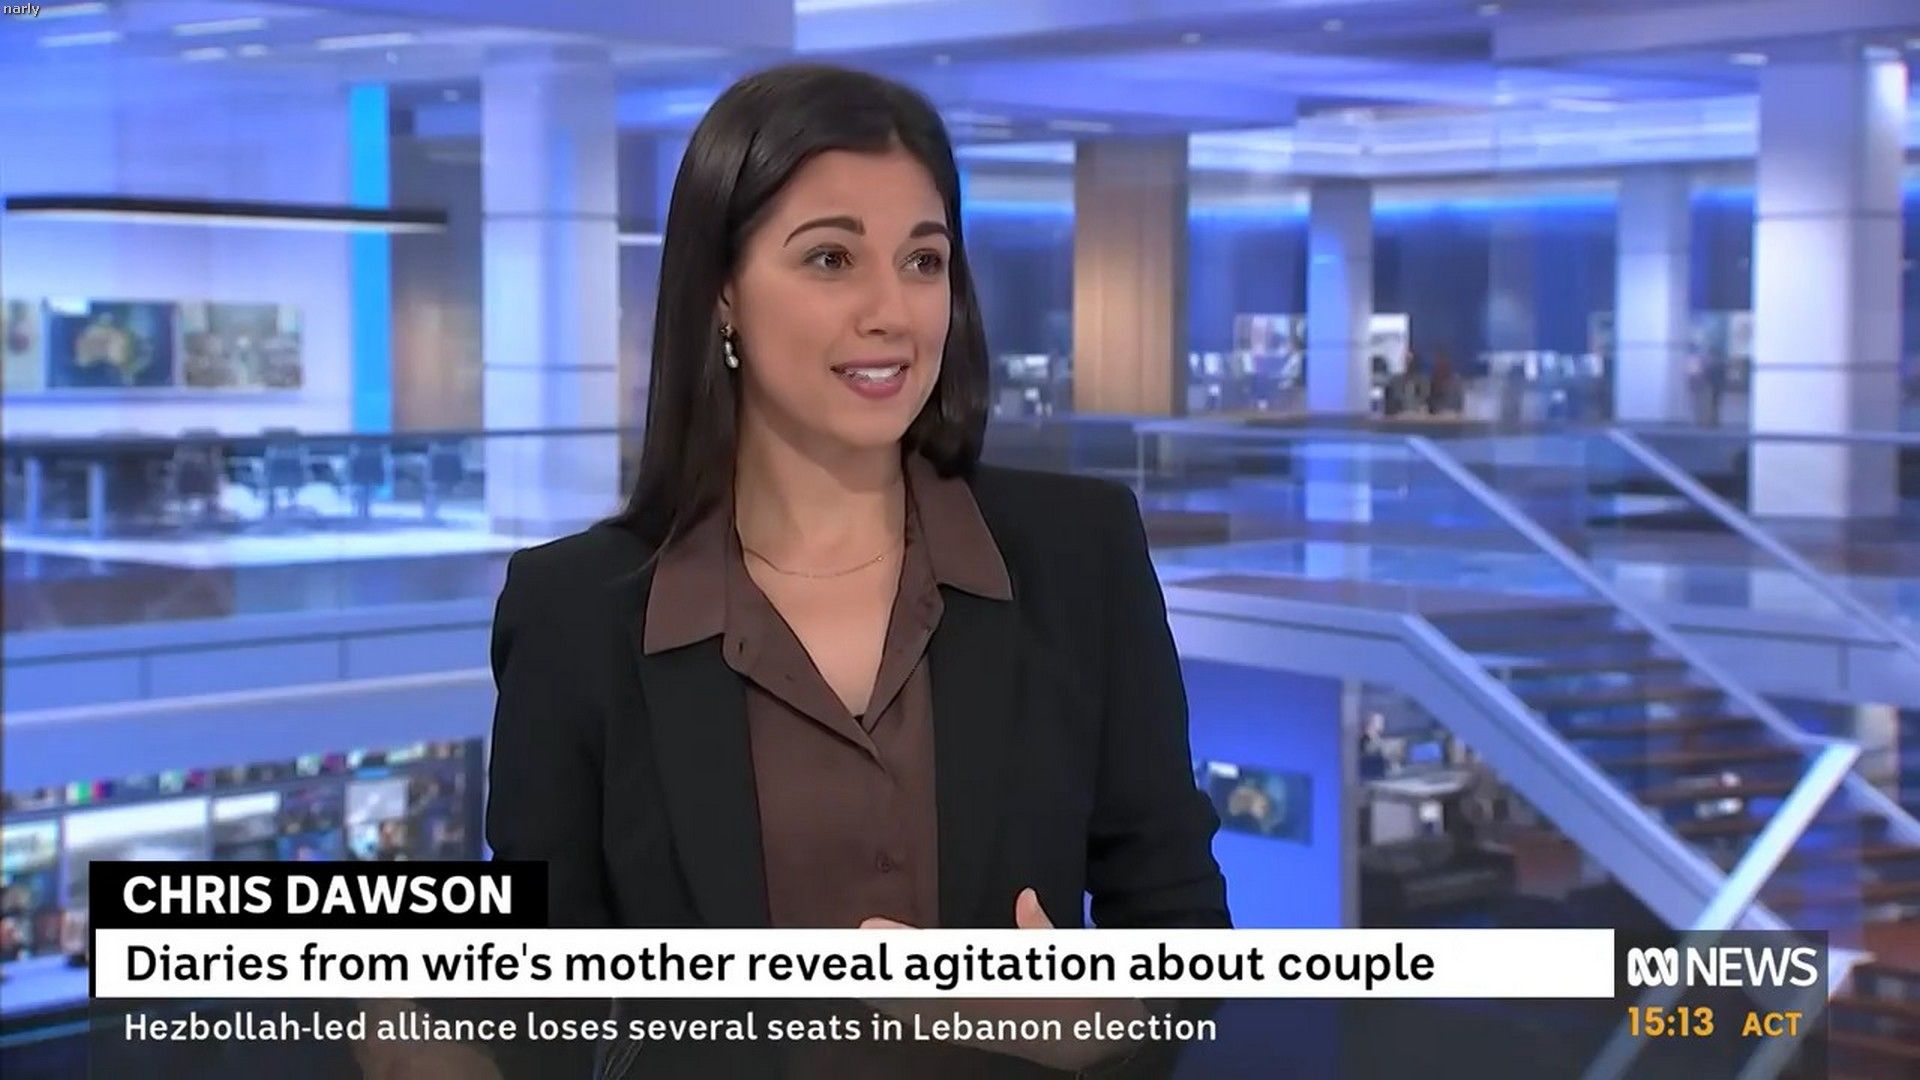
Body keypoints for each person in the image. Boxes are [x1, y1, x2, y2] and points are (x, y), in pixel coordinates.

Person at [471, 63, 1227, 1080]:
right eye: (831, 258)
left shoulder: (1077, 554)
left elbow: (1181, 928)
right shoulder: (575, 614)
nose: (892, 311)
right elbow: (544, 1011)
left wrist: (1094, 1020)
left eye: (923, 261)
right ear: (722, 292)